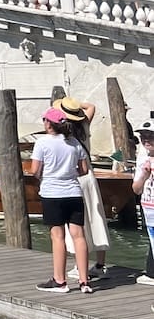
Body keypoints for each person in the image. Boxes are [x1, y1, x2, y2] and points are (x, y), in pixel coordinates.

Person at [29, 107, 93, 293]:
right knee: (78, 235)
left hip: (52, 194)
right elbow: (84, 170)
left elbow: (34, 170)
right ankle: (84, 281)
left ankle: (60, 280)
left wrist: (42, 175)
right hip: (73, 192)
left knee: (58, 237)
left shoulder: (42, 143)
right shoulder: (74, 143)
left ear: (48, 124)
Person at [54, 97, 110, 278]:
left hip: (74, 179)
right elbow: (91, 106)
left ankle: (80, 266)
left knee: (77, 224)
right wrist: (74, 103)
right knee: (96, 218)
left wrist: (62, 103)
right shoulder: (84, 125)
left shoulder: (63, 136)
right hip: (89, 177)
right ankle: (100, 265)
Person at [131, 125, 154, 288]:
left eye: (150, 136)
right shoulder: (143, 160)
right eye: (142, 136)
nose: (145, 139)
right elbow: (136, 189)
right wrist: (145, 175)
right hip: (148, 210)